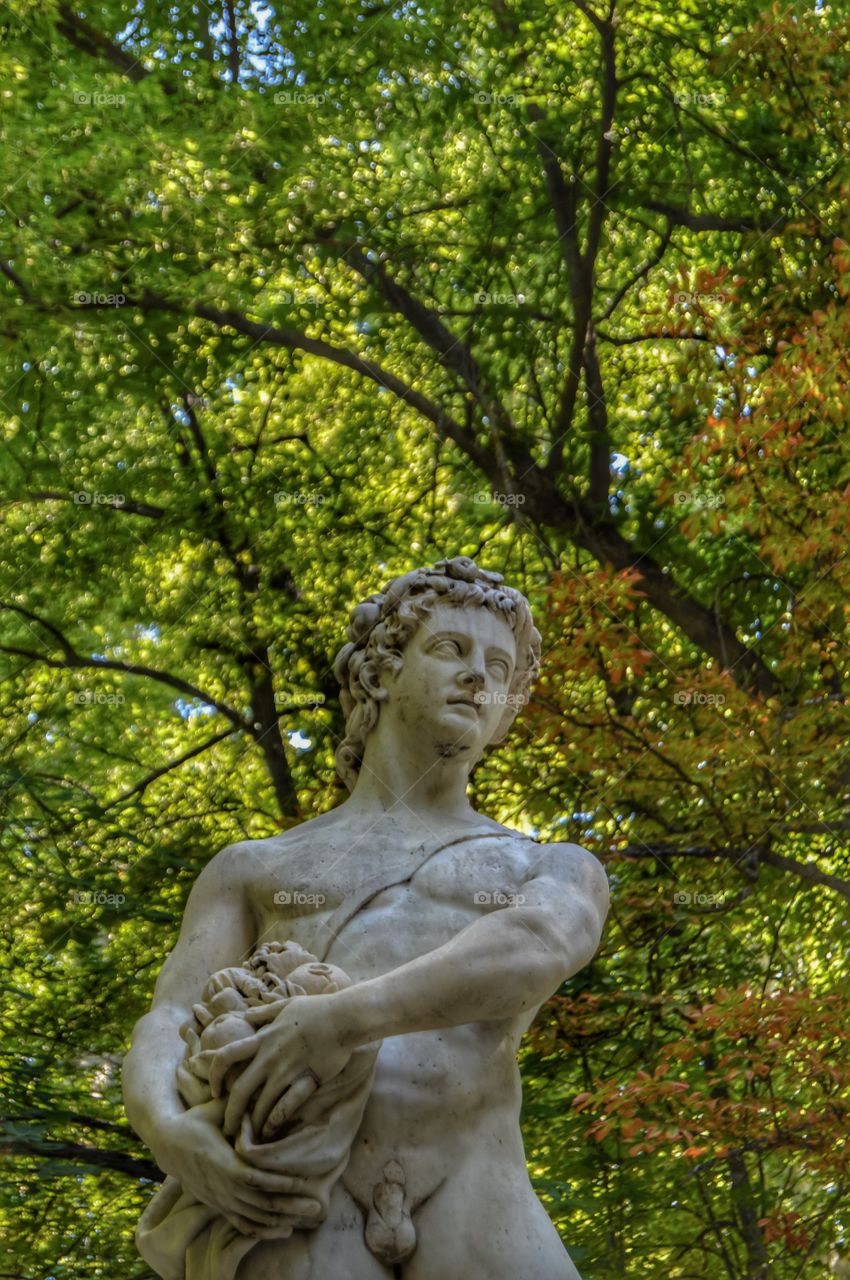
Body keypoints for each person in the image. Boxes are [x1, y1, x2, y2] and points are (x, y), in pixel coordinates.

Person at [123, 556, 609, 1280]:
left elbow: (535, 944)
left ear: (506, 713)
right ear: (381, 672)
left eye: (499, 666)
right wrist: (168, 1133)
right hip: (293, 1197)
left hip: (477, 1191)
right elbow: (167, 1019)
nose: (479, 674)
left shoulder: (550, 866)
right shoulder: (253, 867)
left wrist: (338, 1021)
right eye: (452, 649)